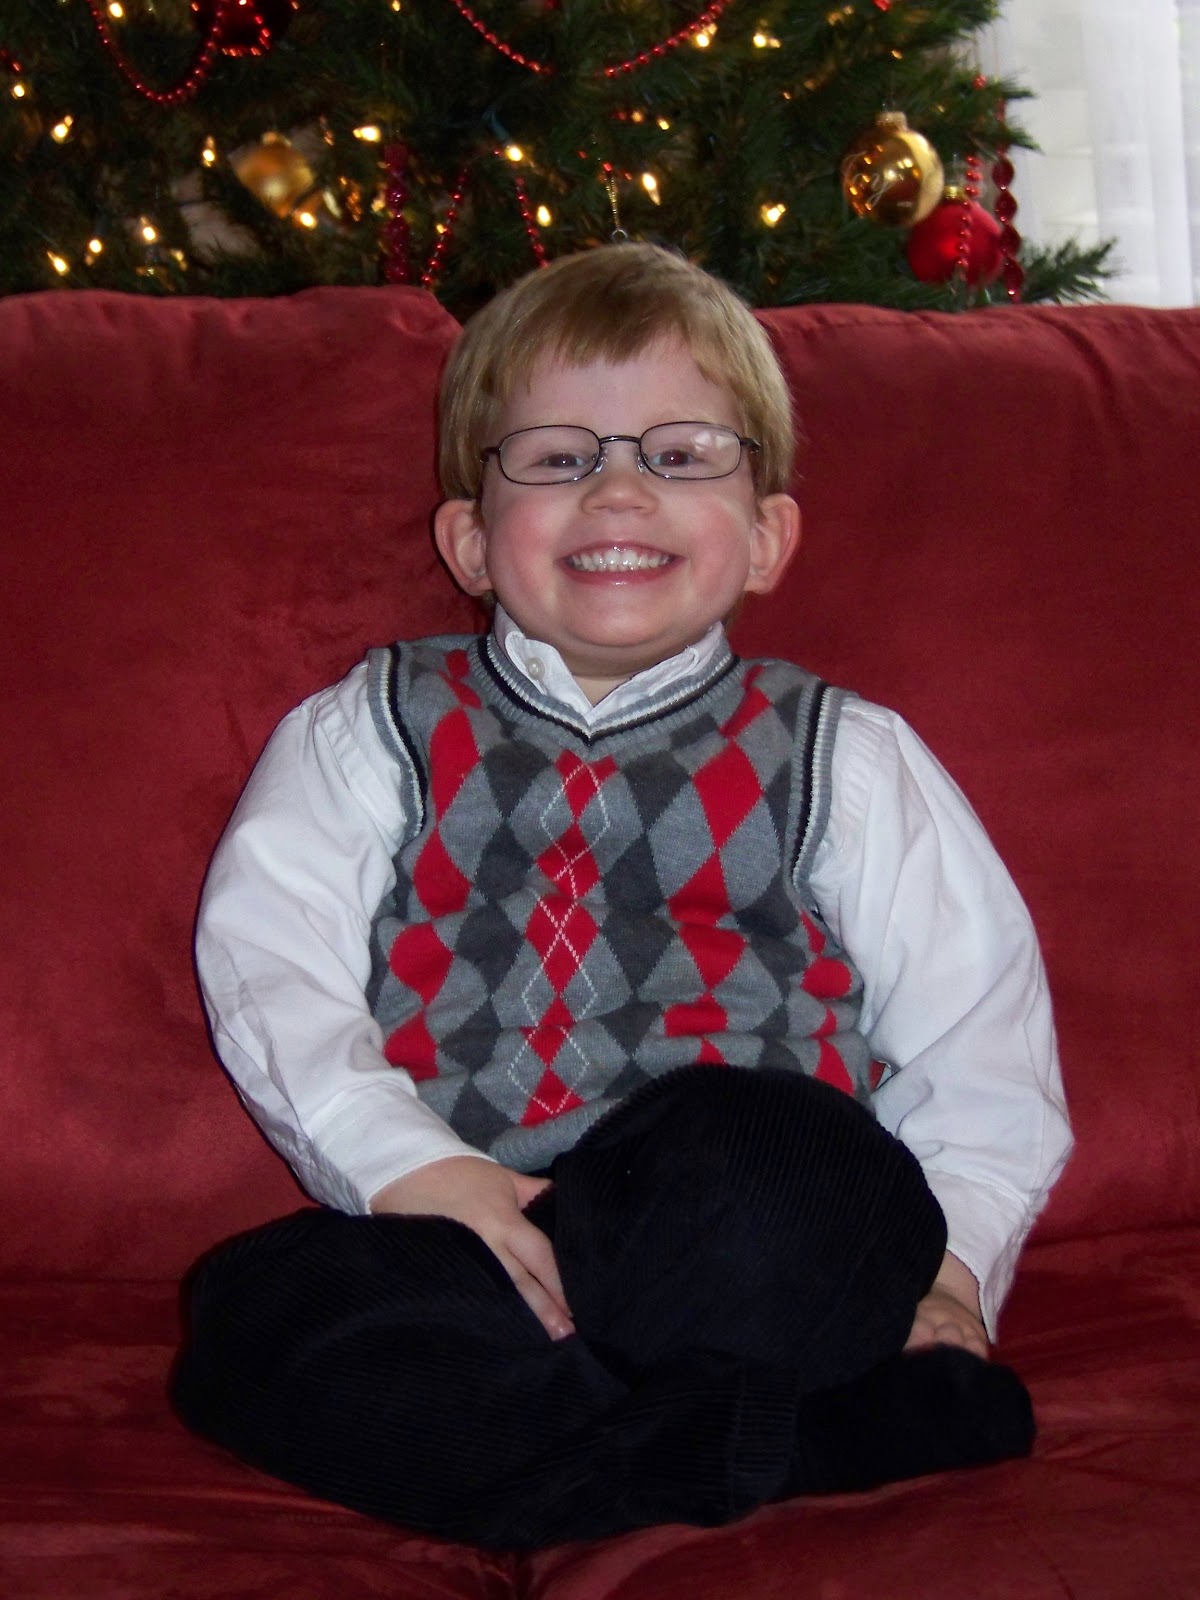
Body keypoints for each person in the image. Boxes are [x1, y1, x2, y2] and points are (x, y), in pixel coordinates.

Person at [173, 243, 1072, 1549]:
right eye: (557, 457)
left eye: (681, 454)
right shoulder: (370, 727)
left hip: (741, 1222)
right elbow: (269, 962)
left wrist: (950, 1274)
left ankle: (600, 1443)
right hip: (483, 1231)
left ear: (765, 537)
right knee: (254, 1316)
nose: (618, 489)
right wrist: (412, 1167)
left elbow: (980, 1036)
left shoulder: (849, 755)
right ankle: (778, 1443)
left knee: (779, 1161)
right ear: (470, 540)